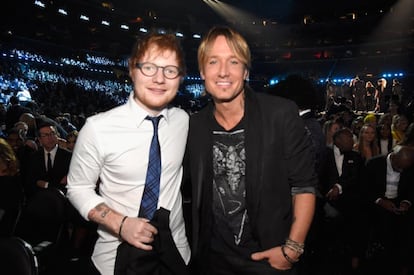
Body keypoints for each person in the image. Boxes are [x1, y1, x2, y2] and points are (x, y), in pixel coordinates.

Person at [184, 26, 317, 275]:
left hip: (268, 260)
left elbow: (304, 186)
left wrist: (292, 250)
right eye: (213, 61)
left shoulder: (280, 114)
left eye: (233, 61)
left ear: (245, 71)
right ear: (202, 71)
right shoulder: (194, 125)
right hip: (212, 261)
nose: (223, 71)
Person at [66, 32, 190, 275]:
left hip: (175, 256)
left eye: (170, 70)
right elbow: (77, 188)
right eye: (149, 67)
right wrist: (120, 224)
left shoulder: (182, 121)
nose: (159, 78)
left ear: (180, 78)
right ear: (132, 70)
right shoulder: (97, 128)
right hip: (115, 258)